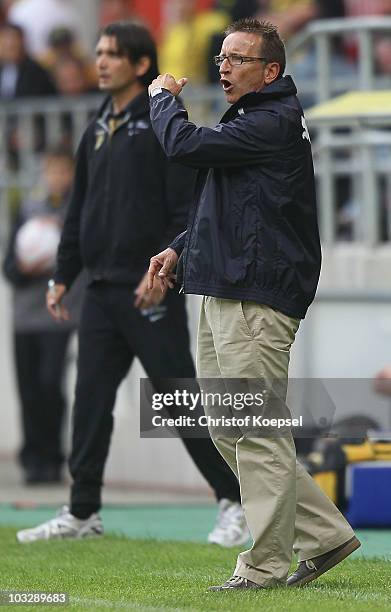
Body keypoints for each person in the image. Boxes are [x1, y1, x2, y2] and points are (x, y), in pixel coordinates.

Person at [147, 17, 360, 590]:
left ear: (271, 70)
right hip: (224, 285)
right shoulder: (249, 120)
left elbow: (181, 145)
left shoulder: (273, 119)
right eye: (221, 57)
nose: (224, 66)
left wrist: (162, 101)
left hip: (257, 293)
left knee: (255, 429)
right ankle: (324, 536)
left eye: (238, 59)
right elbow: (230, 208)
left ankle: (264, 565)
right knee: (227, 427)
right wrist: (179, 248)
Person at [16, 21, 246, 547]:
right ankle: (82, 512)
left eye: (111, 54)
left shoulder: (161, 122)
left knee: (177, 400)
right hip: (98, 289)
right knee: (90, 400)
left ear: (141, 65)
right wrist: (63, 273)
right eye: (97, 52)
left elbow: (187, 208)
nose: (99, 61)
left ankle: (233, 501)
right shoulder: (99, 121)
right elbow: (81, 207)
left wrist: (166, 270)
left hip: (149, 286)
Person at [3, 146, 82, 484]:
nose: (57, 178)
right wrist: (24, 267)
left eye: (63, 172)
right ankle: (32, 458)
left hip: (59, 314)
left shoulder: (77, 212)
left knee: (51, 384)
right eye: (52, 171)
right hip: (24, 315)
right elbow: (9, 266)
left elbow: (81, 256)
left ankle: (52, 456)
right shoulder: (29, 210)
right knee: (29, 388)